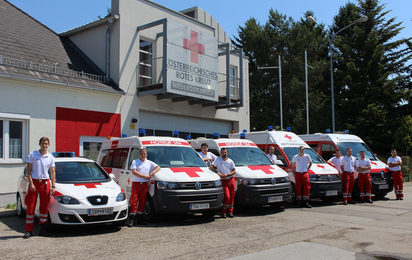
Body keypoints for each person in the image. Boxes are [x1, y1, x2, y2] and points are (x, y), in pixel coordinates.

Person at [23, 137, 56, 239]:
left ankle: (42, 228)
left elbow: (52, 172)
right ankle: (28, 230)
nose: (44, 145)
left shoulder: (50, 157)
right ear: (39, 144)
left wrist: (53, 185)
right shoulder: (33, 155)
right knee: (31, 206)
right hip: (35, 183)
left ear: (48, 145)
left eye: (46, 144)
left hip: (45, 183)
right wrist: (31, 183)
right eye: (42, 143)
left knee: (44, 207)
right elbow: (29, 170)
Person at [128, 149, 161, 227]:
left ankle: (140, 216)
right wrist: (145, 176)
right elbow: (134, 172)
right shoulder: (135, 162)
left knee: (143, 201)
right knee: (134, 201)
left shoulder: (148, 162)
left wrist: (152, 173)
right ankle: (132, 218)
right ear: (139, 154)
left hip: (144, 184)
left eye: (145, 154)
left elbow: (158, 167)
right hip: (136, 183)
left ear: (146, 155)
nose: (143, 155)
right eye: (142, 154)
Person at [210, 148, 236, 218]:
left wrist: (227, 175)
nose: (223, 153)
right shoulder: (218, 160)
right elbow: (211, 167)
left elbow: (234, 171)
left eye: (225, 152)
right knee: (227, 196)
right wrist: (217, 172)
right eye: (222, 152)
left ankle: (230, 212)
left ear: (227, 153)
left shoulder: (230, 161)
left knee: (231, 196)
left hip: (230, 179)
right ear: (220, 153)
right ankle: (223, 212)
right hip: (223, 180)